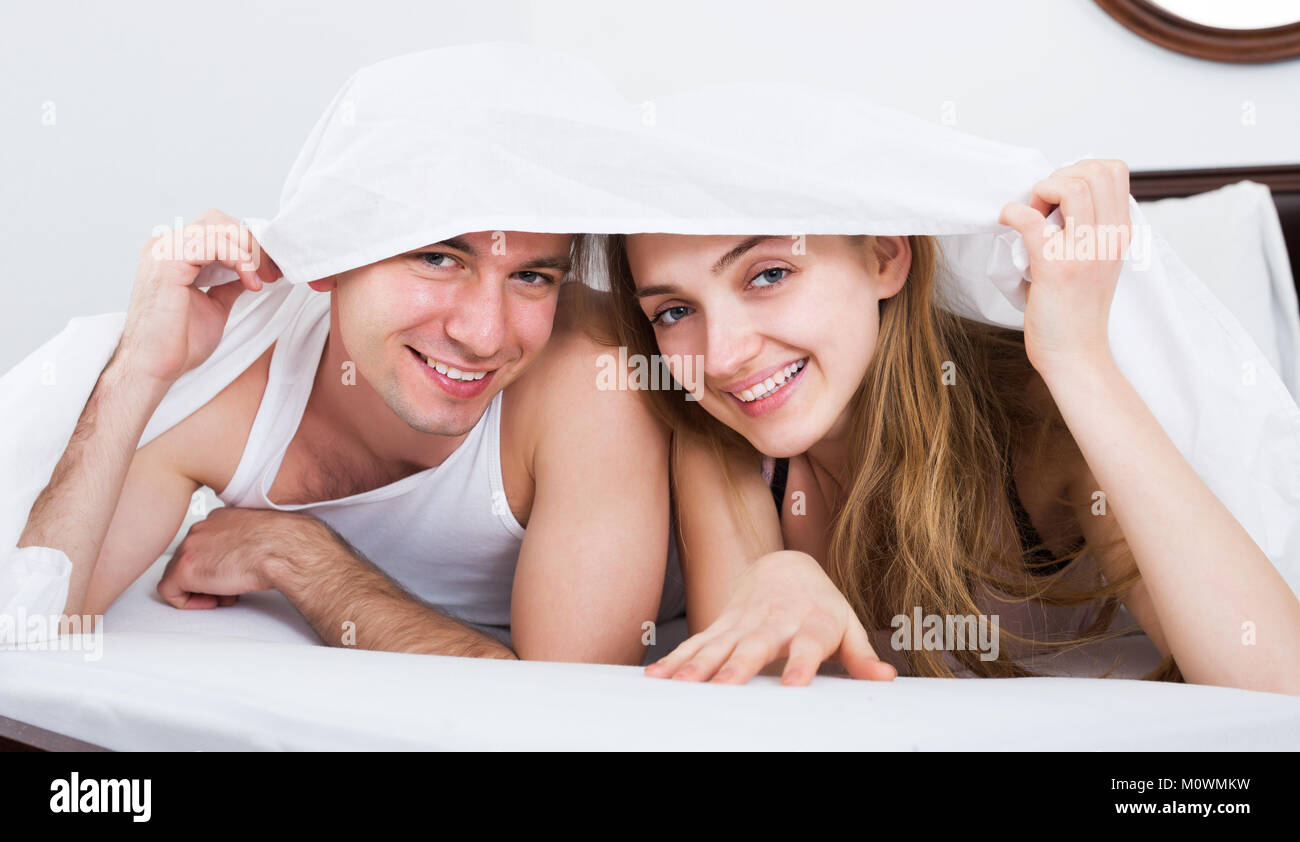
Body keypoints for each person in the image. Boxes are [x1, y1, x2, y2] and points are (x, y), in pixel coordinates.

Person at [600, 159, 1300, 693]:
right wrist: (782, 573)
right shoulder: (719, 437)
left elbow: (1276, 687)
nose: (721, 357)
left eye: (768, 274)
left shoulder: (1040, 433)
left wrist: (1077, 357)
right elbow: (755, 707)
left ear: (884, 257)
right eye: (673, 311)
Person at [17, 211, 678, 664]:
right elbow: (32, 627)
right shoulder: (229, 379)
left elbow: (560, 716)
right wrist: (140, 367)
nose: (485, 334)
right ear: (332, 258)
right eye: (438, 257)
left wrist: (298, 556)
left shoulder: (592, 373)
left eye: (531, 276)